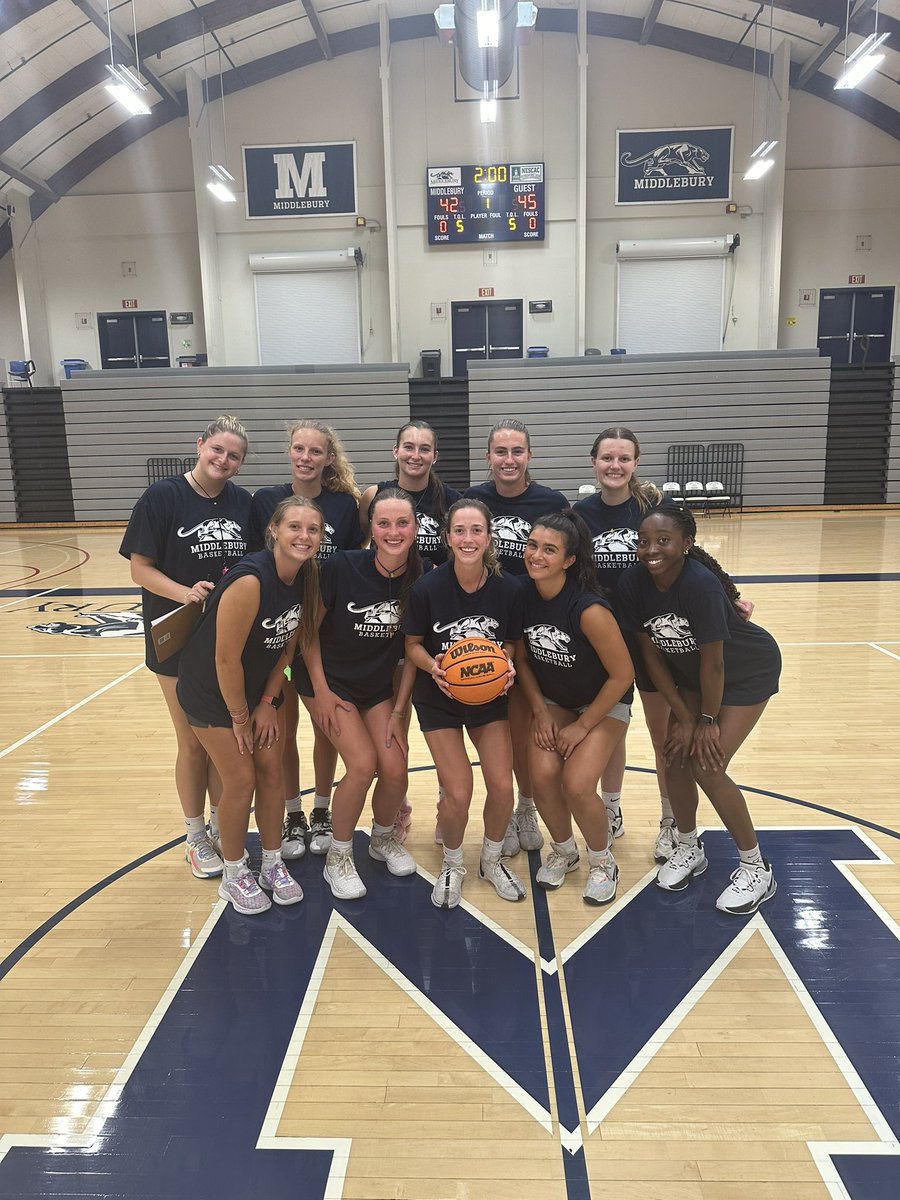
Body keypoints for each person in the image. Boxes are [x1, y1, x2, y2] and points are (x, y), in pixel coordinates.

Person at [573, 425, 753, 861]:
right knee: (609, 729)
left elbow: (696, 555)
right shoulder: (580, 513)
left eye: (624, 458)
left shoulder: (655, 506)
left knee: (662, 736)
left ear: (635, 463)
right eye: (607, 458)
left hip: (656, 636)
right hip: (603, 637)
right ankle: (611, 809)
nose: (615, 466)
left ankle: (671, 820)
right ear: (594, 462)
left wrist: (729, 593)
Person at [617, 504, 781, 916]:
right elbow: (651, 654)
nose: (651, 549)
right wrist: (684, 716)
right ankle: (688, 846)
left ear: (686, 544)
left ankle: (755, 868)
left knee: (706, 766)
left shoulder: (700, 586)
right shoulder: (633, 583)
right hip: (690, 677)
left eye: (663, 540)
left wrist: (706, 721)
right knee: (674, 754)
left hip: (744, 671)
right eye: (644, 541)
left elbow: (716, 663)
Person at [119, 415, 251, 880]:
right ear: (200, 445)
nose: (224, 460)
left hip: (223, 642)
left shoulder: (242, 503)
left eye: (234, 456)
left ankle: (220, 825)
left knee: (223, 742)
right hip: (174, 632)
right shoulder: (163, 497)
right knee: (193, 740)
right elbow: (139, 569)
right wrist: (185, 593)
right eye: (217, 450)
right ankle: (195, 835)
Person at [176, 497, 322, 914]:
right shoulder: (250, 581)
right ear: (274, 530)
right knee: (240, 778)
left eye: (313, 529)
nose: (304, 536)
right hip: (210, 690)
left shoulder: (307, 577)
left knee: (271, 767)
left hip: (253, 690)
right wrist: (240, 716)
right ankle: (234, 873)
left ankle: (272, 863)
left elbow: (288, 645)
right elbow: (224, 660)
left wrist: (266, 702)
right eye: (294, 527)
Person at [294, 488, 423, 901]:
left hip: (376, 686)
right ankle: (340, 857)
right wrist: (321, 692)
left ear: (416, 529)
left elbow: (409, 655)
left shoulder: (421, 577)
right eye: (383, 523)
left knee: (396, 766)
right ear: (371, 528)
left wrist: (399, 712)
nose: (393, 531)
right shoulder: (341, 567)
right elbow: (307, 633)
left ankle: (383, 840)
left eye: (402, 523)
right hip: (328, 681)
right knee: (363, 764)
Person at [403, 498, 526, 911]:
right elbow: (413, 645)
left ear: (489, 537)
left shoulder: (508, 588)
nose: (468, 539)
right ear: (448, 537)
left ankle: (490, 860)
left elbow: (511, 641)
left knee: (502, 785)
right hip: (439, 695)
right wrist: (433, 667)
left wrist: (506, 663)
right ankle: (453, 863)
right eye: (460, 531)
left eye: (477, 531)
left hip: (488, 695)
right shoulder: (427, 588)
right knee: (458, 791)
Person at [248, 420, 363, 862]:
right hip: (278, 627)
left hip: (324, 632)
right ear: (289, 451)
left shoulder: (344, 505)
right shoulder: (265, 502)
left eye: (316, 451)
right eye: (299, 448)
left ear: (328, 458)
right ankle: (293, 813)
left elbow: (351, 565)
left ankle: (321, 810)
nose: (306, 457)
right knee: (284, 725)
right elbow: (256, 560)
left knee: (325, 728)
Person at [514, 511, 635, 904]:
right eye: (532, 545)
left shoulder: (589, 609)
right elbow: (523, 661)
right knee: (543, 772)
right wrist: (541, 711)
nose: (536, 555)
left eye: (549, 550)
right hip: (555, 700)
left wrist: (582, 726)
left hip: (603, 701)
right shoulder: (522, 597)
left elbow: (623, 675)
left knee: (579, 784)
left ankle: (602, 862)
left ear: (568, 560)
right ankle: (565, 851)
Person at [464, 419, 568, 857]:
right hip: (487, 626)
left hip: (535, 623)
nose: (509, 460)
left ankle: (525, 807)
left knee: (524, 727)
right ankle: (503, 810)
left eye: (517, 451)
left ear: (529, 455)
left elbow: (572, 558)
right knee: (497, 728)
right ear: (488, 457)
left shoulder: (552, 501)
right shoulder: (472, 501)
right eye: (500, 452)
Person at [358, 421, 462, 841]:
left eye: (424, 448)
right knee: (393, 719)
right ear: (394, 450)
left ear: (435, 456)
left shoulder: (452, 501)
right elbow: (360, 553)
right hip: (385, 623)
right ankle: (397, 807)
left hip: (435, 625)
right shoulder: (372, 496)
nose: (415, 455)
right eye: (408, 447)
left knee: (440, 724)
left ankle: (446, 804)